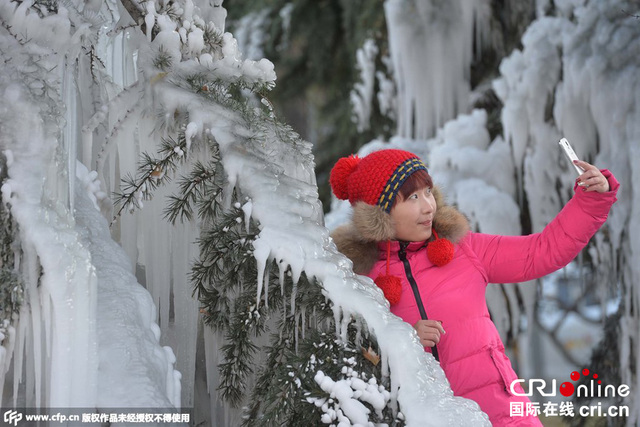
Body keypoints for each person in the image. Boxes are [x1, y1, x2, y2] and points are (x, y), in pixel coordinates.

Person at [329, 149, 619, 426]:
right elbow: (349, 358)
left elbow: (541, 252)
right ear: (380, 213)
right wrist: (404, 340)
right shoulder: (356, 278)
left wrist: (591, 200)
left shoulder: (465, 250)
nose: (428, 206)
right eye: (413, 197)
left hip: (503, 414)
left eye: (428, 192)